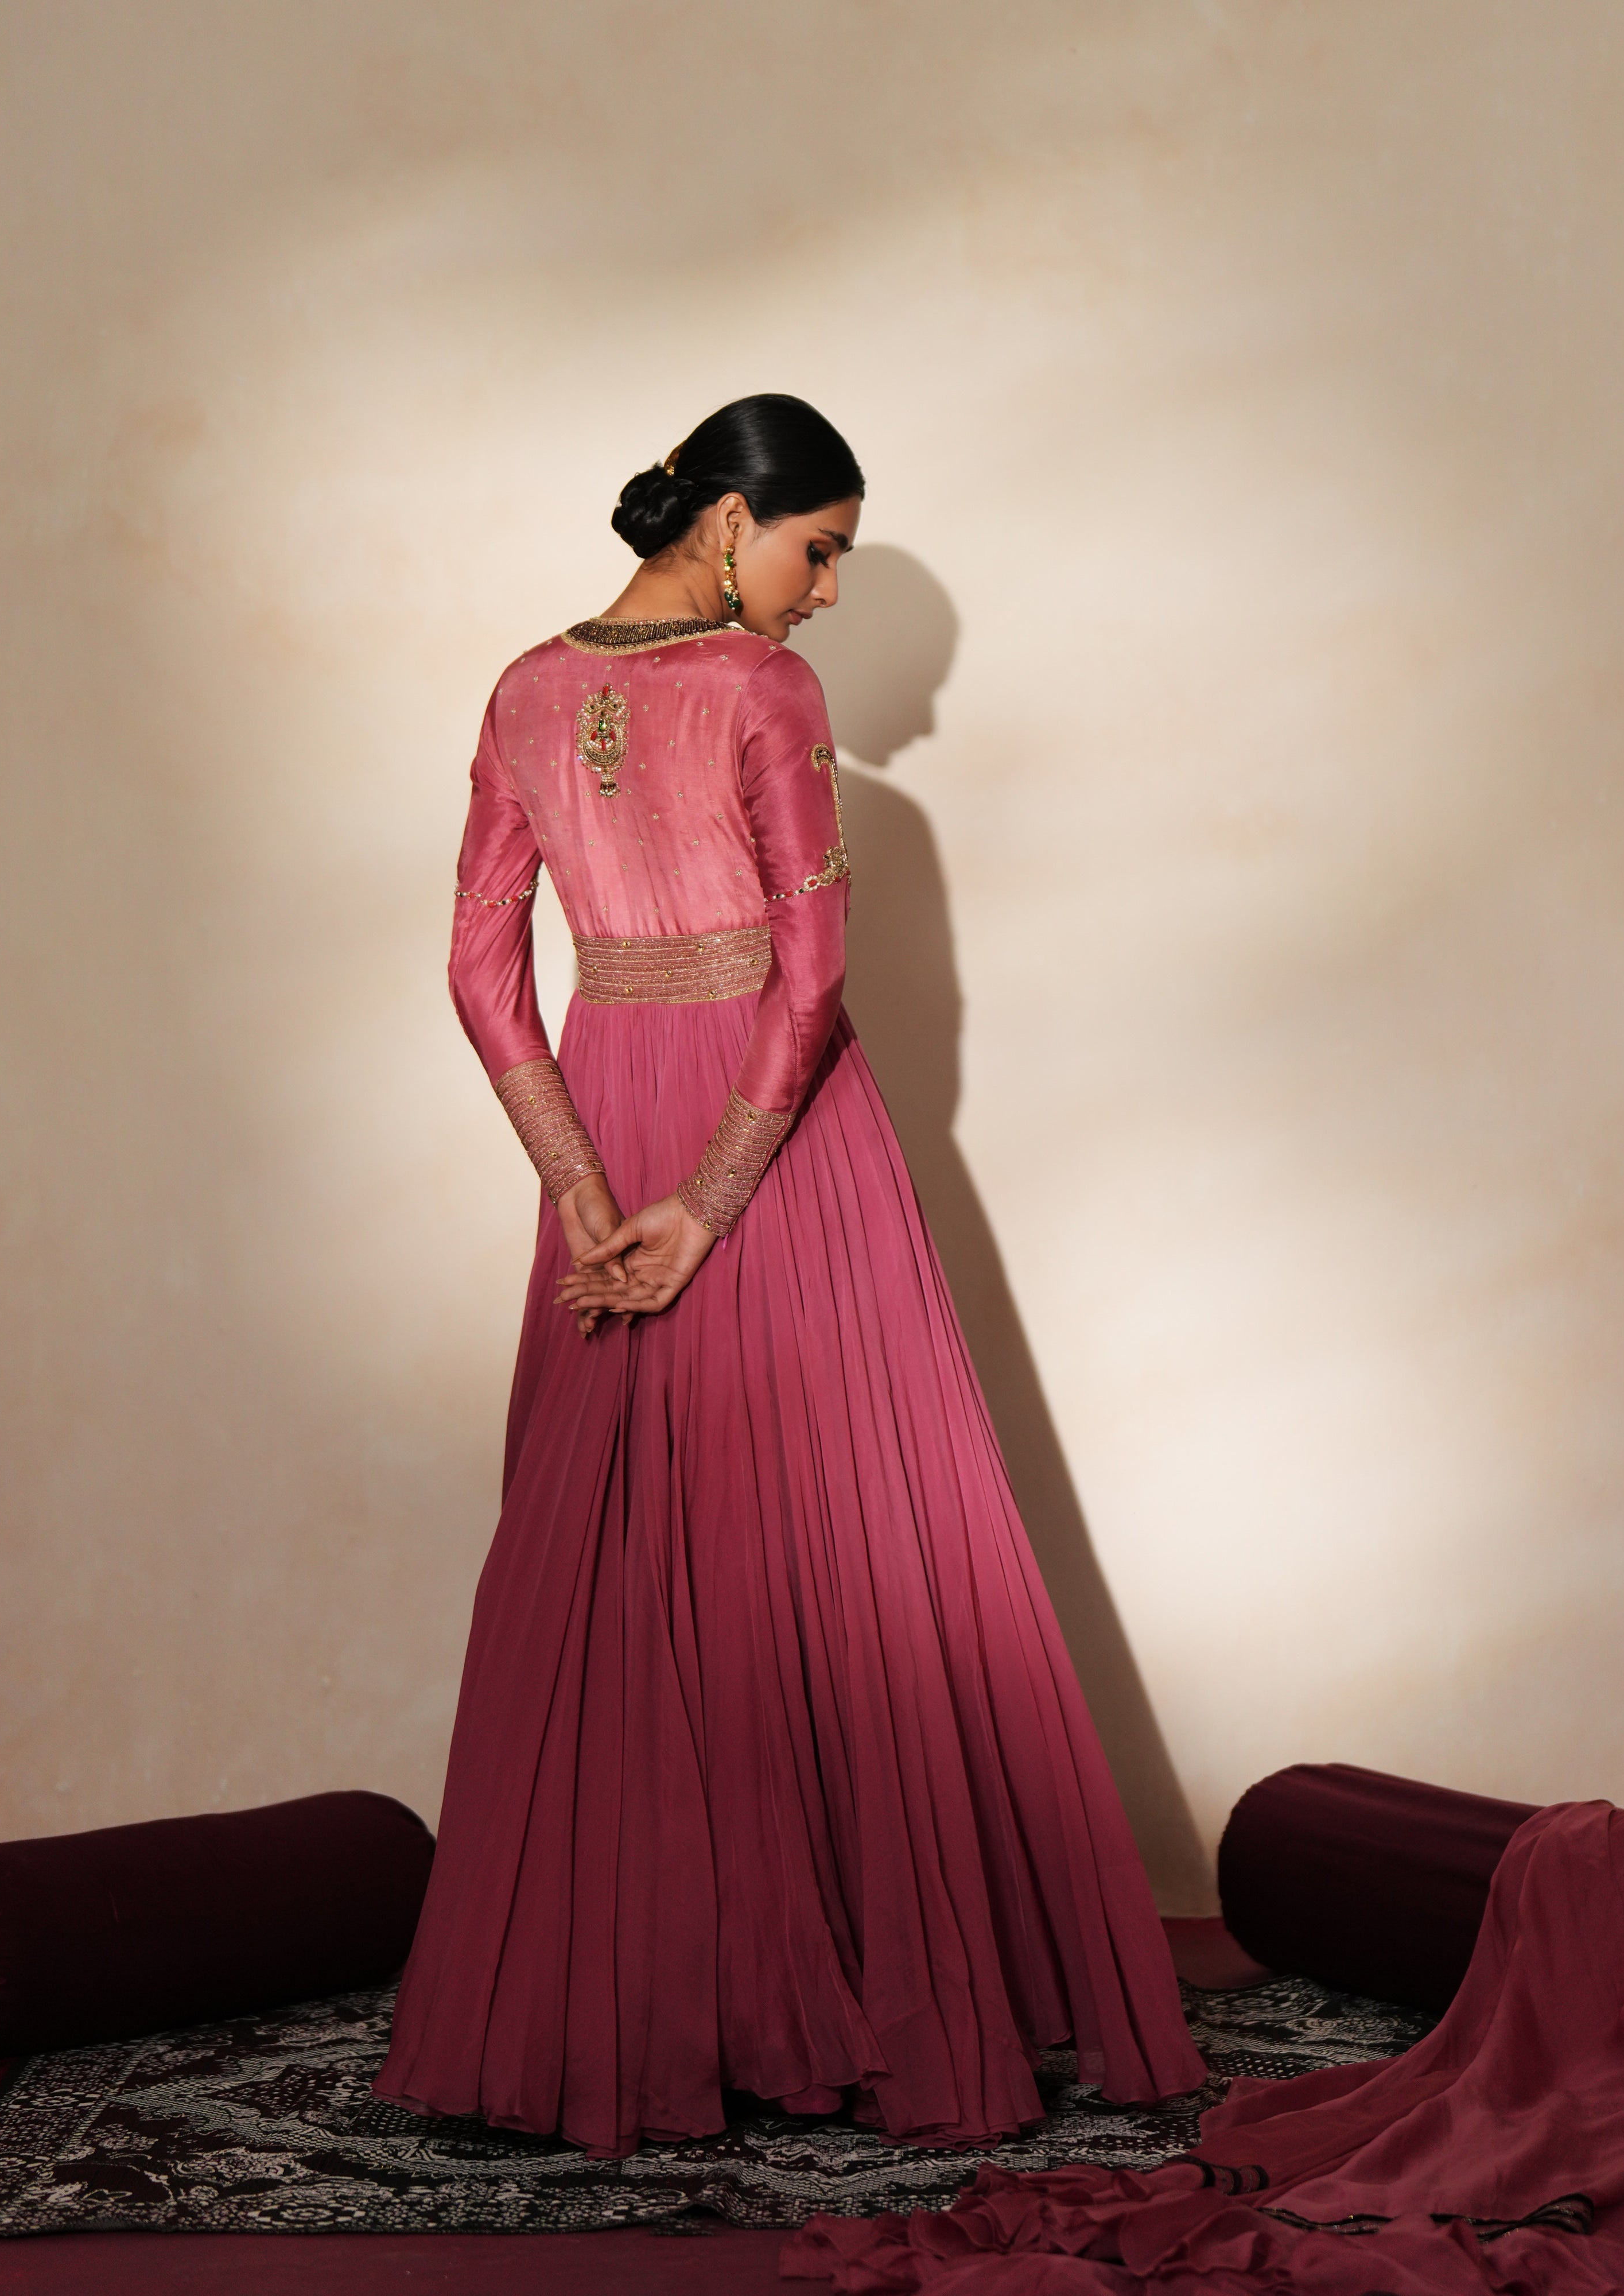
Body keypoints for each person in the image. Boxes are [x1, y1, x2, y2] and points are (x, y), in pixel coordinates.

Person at [373, 394, 1205, 2159]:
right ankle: (846, 2002)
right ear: (725, 522)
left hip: (608, 1143)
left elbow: (475, 971)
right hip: (778, 1145)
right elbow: (813, 981)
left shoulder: (524, 689)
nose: (825, 596)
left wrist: (595, 1198)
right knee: (833, 1555)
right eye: (817, 549)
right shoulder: (762, 694)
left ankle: (652, 2017)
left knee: (632, 1566)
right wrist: (706, 1202)